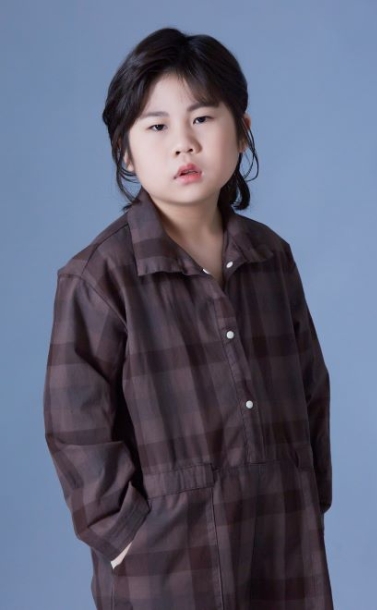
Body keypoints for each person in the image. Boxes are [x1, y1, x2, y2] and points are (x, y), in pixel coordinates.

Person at [44, 27, 334, 610]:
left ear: (242, 130)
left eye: (202, 118)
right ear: (125, 152)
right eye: (157, 127)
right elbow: (75, 425)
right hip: (170, 558)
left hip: (281, 535)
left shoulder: (271, 257)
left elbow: (311, 387)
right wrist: (123, 535)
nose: (184, 144)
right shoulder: (100, 277)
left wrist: (310, 489)